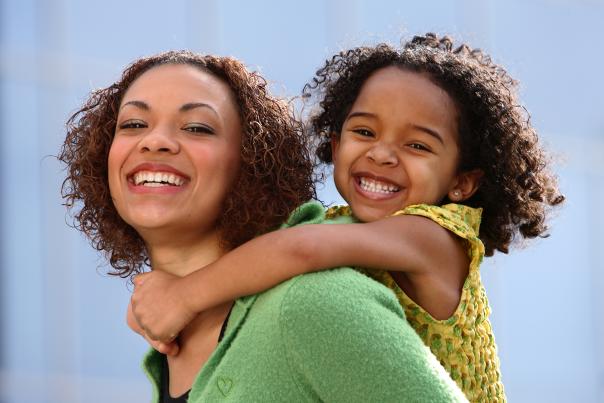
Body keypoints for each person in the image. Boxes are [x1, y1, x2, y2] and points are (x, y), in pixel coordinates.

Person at [129, 34, 565, 402]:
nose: (381, 153)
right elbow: (265, 260)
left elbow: (298, 249)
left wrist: (185, 297)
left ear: (462, 183)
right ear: (335, 146)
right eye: (364, 132)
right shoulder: (345, 226)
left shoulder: (435, 235)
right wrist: (159, 306)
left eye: (417, 146)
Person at [60, 50, 466, 402]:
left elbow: (300, 248)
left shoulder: (311, 302)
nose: (155, 141)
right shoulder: (171, 343)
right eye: (133, 124)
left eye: (198, 127)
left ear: (253, 162)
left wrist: (183, 295)